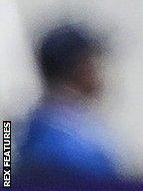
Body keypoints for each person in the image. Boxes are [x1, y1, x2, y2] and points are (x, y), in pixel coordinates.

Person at [15, 22, 122, 183]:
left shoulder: (39, 127)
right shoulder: (68, 147)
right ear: (79, 67)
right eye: (94, 61)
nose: (101, 72)